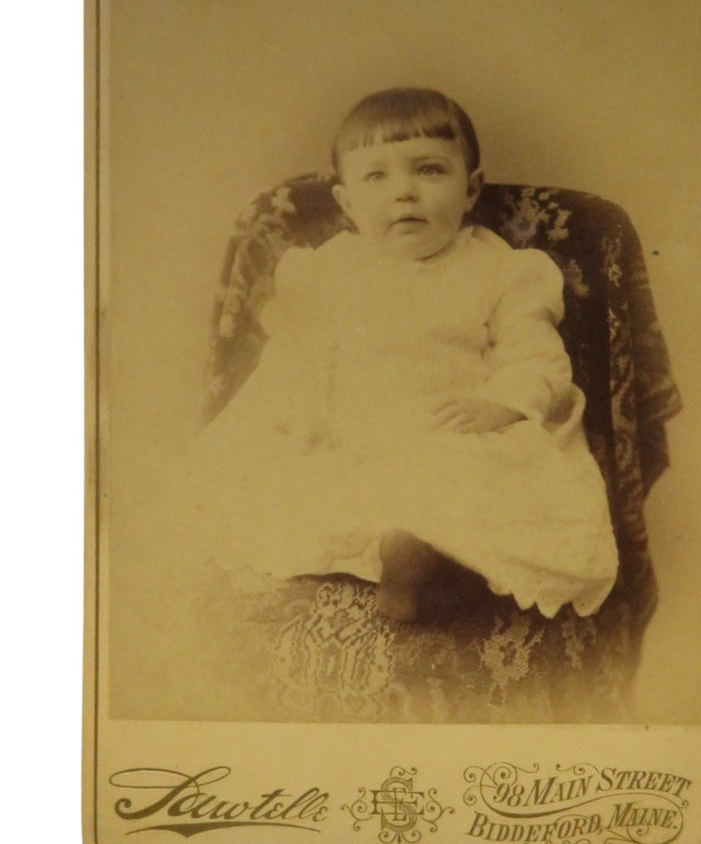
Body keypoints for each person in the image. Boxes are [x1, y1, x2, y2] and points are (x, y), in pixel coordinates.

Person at [185, 87, 618, 623]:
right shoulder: (328, 272)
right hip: (355, 433)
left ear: (470, 188)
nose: (404, 194)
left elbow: (535, 355)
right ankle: (410, 553)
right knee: (288, 481)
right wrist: (300, 418)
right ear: (346, 204)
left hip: (453, 432)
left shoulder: (500, 270)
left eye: (430, 171)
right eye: (377, 177)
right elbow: (297, 357)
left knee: (470, 482)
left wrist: (502, 404)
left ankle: (429, 558)